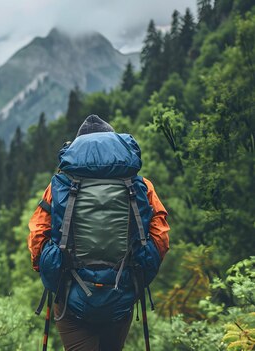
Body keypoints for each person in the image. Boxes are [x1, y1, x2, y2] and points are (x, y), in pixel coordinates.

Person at [27, 115, 170, 351]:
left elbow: (37, 236)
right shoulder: (140, 184)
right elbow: (160, 235)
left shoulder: (59, 185)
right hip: (122, 292)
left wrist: (49, 270)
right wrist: (142, 267)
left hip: (70, 295)